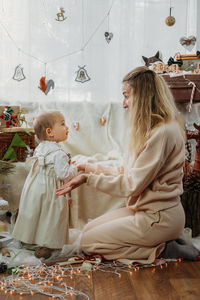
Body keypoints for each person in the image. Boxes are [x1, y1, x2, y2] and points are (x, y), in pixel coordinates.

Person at [56, 66, 200, 264]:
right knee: (87, 231)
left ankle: (162, 249)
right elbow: (124, 172)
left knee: (88, 243)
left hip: (158, 218)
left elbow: (131, 185)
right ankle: (159, 243)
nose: (123, 104)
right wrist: (86, 168)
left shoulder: (163, 133)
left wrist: (88, 179)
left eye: (126, 96)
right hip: (144, 210)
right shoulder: (151, 130)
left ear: (142, 97)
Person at [12, 111, 77, 259]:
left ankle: (28, 238)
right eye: (63, 124)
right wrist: (75, 168)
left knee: (35, 213)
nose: (67, 127)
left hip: (34, 187)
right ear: (50, 132)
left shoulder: (41, 147)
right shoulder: (59, 153)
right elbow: (64, 175)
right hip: (50, 190)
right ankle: (47, 244)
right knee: (51, 217)